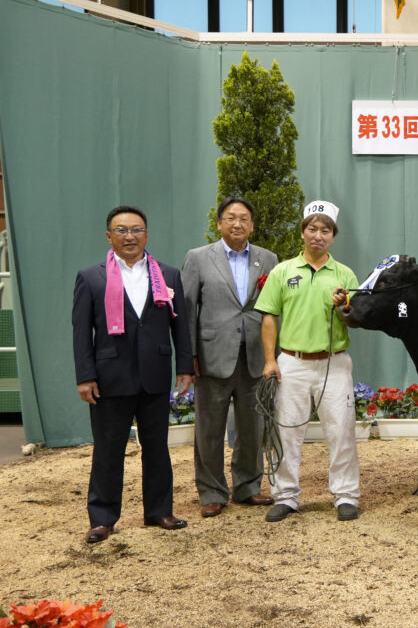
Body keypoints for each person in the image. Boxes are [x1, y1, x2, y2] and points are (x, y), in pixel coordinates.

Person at [72, 205, 194, 544]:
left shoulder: (167, 275)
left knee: (157, 447)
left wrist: (185, 367)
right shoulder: (91, 277)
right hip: (109, 378)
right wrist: (85, 376)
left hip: (154, 375)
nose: (130, 236)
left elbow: (180, 326)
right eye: (122, 230)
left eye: (137, 229)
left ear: (147, 234)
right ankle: (103, 518)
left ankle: (159, 511)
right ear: (109, 235)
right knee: (108, 450)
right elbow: (81, 332)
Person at [254, 200, 360, 523]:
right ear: (302, 233)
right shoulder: (283, 271)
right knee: (286, 429)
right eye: (312, 229)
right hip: (292, 362)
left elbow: (354, 318)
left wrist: (344, 307)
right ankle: (285, 495)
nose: (318, 235)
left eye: (325, 230)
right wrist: (270, 360)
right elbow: (270, 317)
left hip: (335, 361)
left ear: (333, 236)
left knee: (342, 429)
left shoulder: (344, 274)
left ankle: (345, 495)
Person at [181, 196, 278, 518]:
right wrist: (189, 356)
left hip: (254, 356)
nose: (238, 224)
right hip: (211, 356)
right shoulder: (198, 258)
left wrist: (272, 355)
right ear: (220, 223)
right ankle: (211, 492)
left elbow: (273, 310)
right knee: (209, 429)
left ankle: (248, 487)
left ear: (252, 225)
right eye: (231, 218)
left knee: (254, 426)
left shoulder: (268, 259)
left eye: (244, 219)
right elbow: (186, 310)